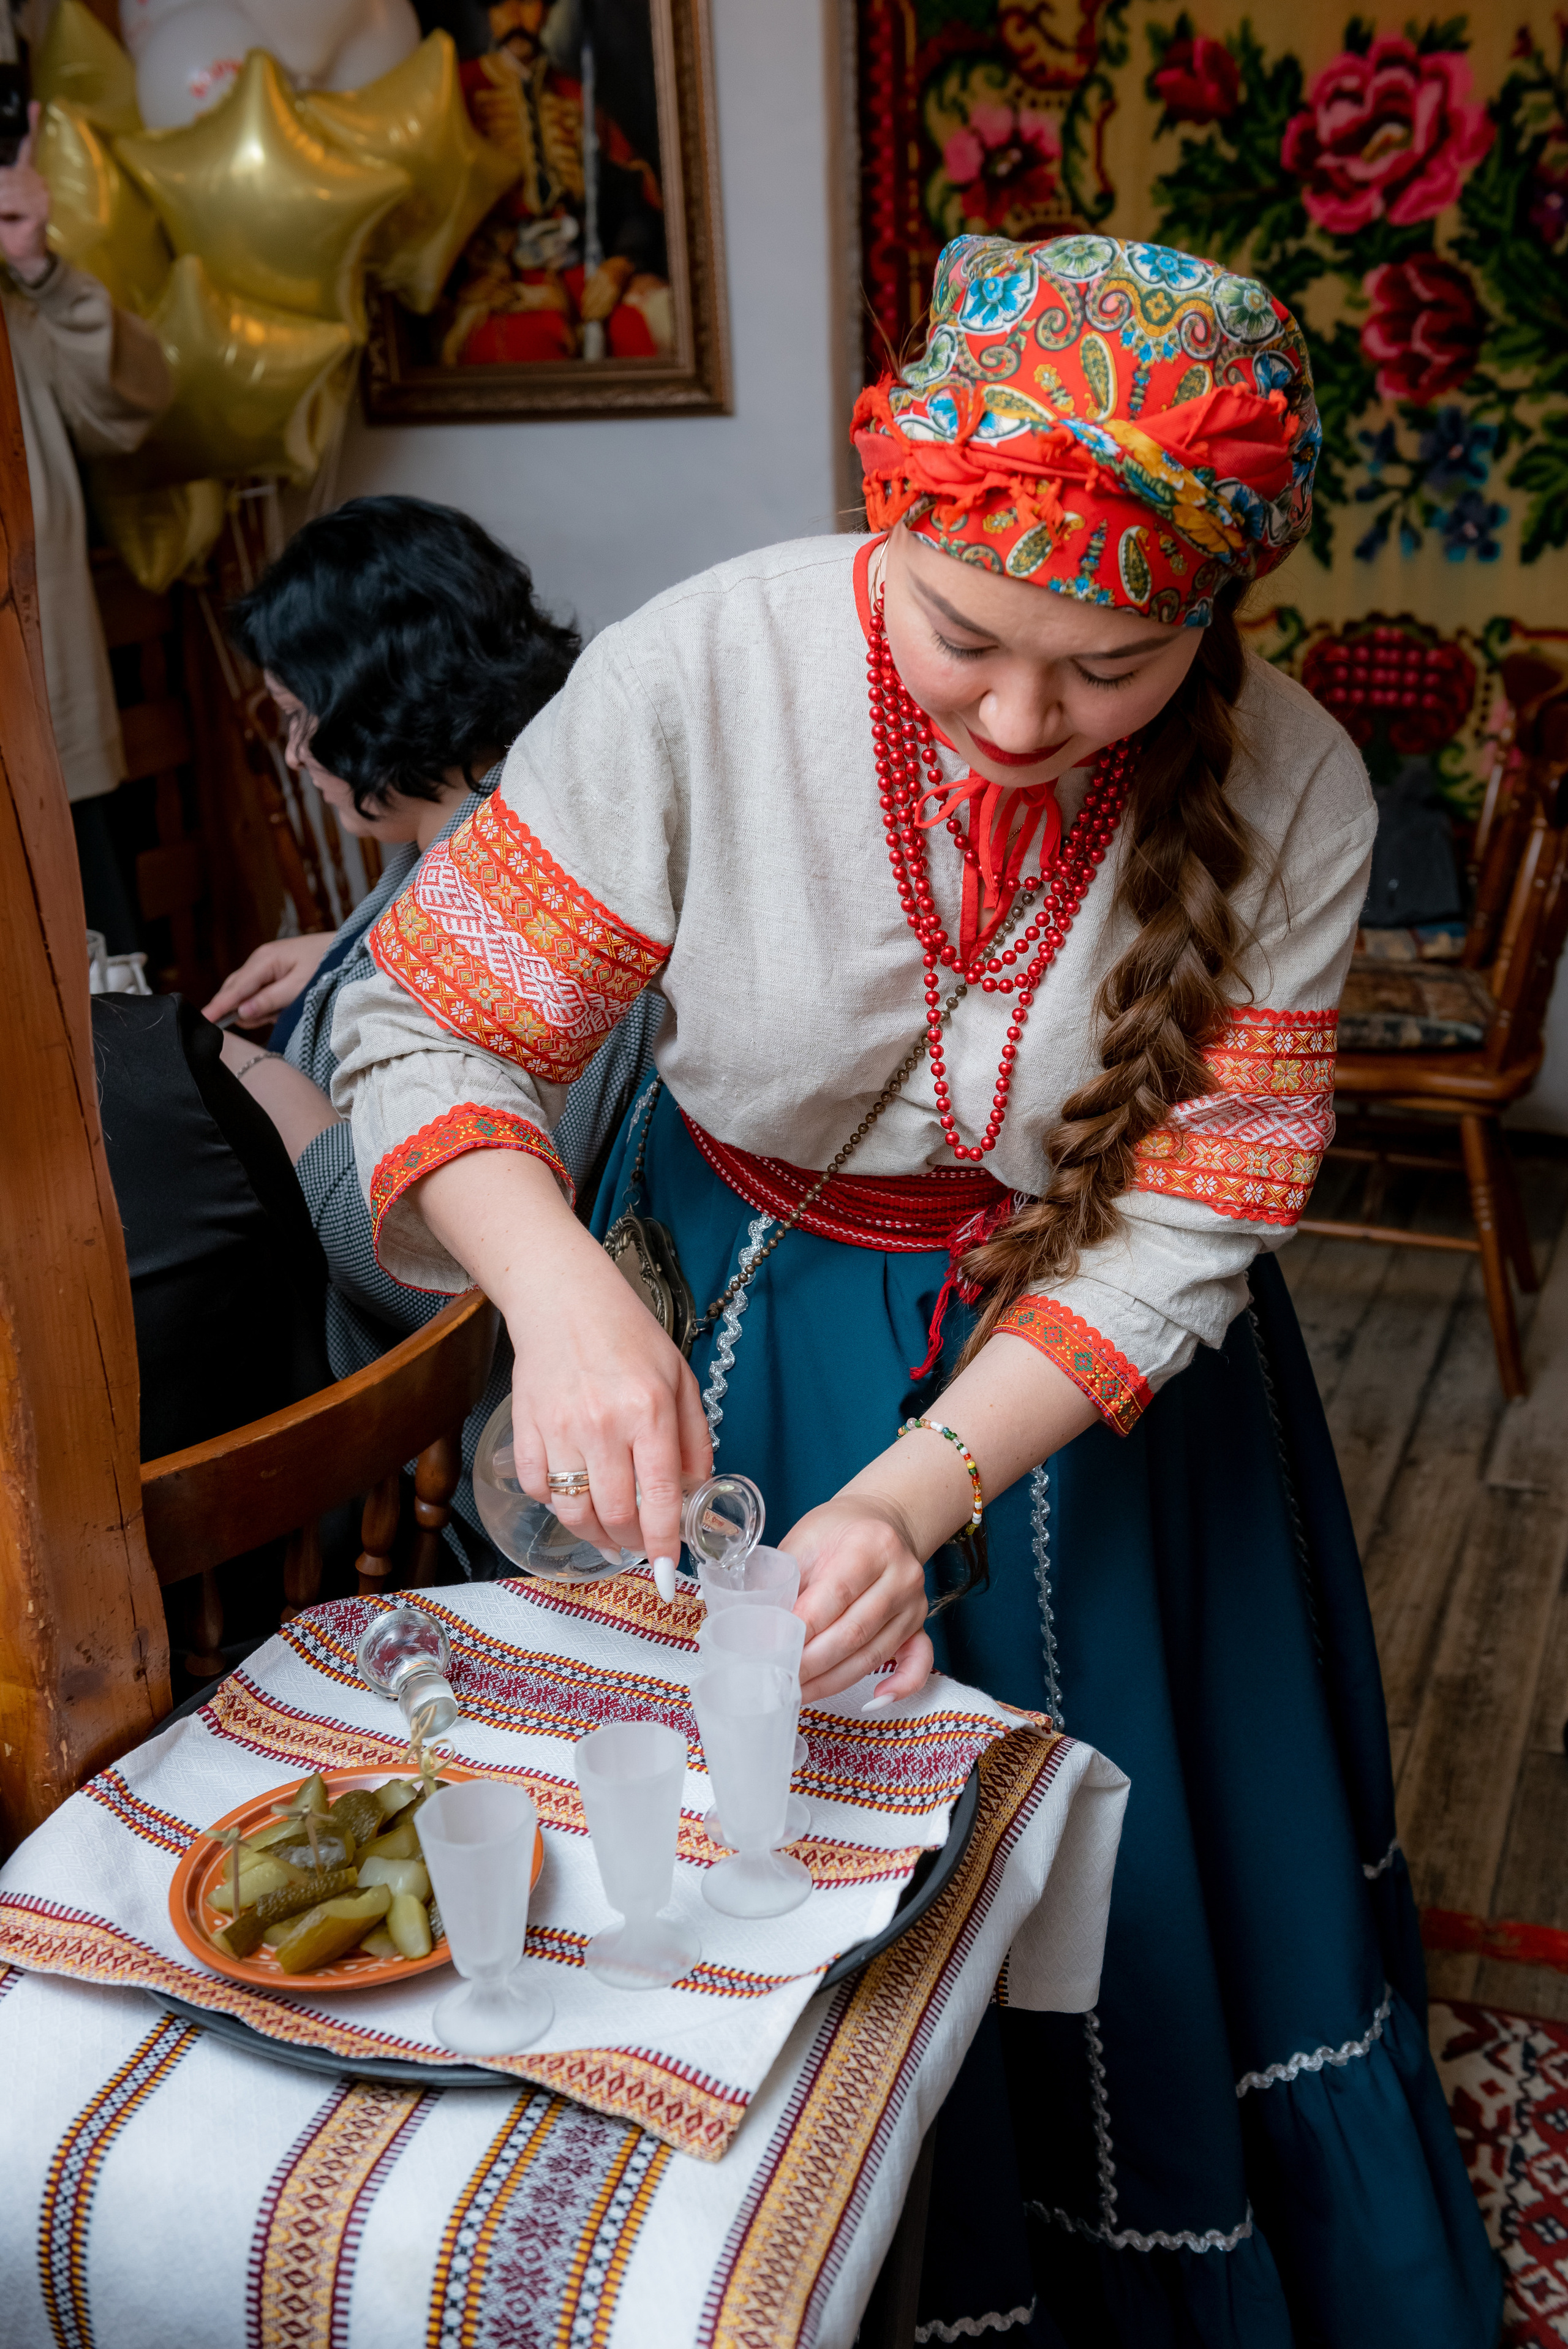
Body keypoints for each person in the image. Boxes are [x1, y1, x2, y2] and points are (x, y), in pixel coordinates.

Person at [329, 240, 1499, 2342]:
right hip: (756, 1342)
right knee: (783, 1862)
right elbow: (425, 1035)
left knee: (1139, 1908)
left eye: (1115, 667)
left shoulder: (1299, 781)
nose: (1027, 721)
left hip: (1105, 1402)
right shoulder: (704, 675)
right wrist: (569, 1293)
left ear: (1210, 620)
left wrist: (910, 1498)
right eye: (965, 640)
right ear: (892, 514)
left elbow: (1183, 1228)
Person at [102, 494, 659, 1563]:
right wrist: (347, 951)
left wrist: (265, 1079)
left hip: (454, 1448)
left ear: (373, 702)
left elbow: (419, 1271)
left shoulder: (531, 895)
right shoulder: (494, 819)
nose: (297, 755)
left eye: (298, 716)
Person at [0, 100, 170, 950]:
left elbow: (134, 411)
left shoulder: (23, 294)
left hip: (50, 727)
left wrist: (39, 265)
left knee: (100, 1007)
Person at [444, 0, 671, 366]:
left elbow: (635, 197)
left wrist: (620, 266)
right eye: (502, 3)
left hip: (582, 275)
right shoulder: (453, 90)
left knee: (664, 323)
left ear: (546, 12)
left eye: (528, 1)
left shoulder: (575, 94)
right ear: (487, 13)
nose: (516, 16)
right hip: (497, 284)